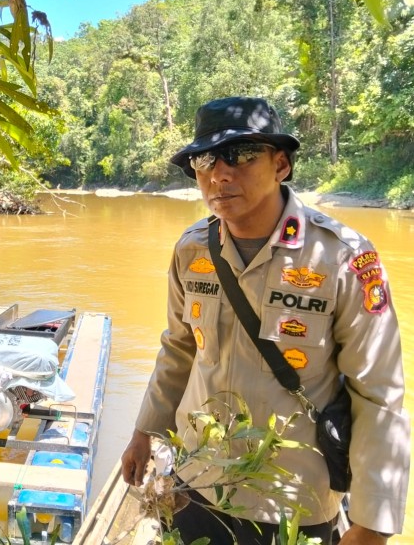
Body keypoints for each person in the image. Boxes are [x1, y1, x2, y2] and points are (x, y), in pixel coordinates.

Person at [120, 96, 410, 544]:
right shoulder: (192, 249)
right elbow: (178, 347)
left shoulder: (343, 257)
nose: (219, 173)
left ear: (280, 165)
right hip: (198, 483)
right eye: (205, 159)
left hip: (295, 499)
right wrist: (144, 433)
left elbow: (377, 394)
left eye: (239, 155)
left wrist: (372, 525)